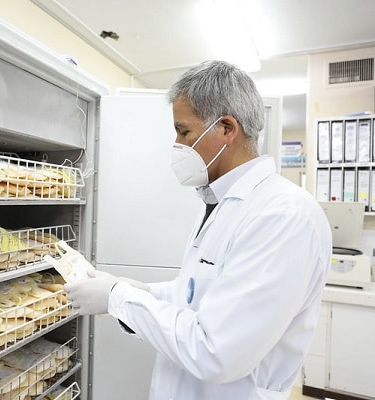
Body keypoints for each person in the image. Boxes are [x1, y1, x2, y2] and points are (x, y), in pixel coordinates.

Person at [64, 60, 332, 400]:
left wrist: (118, 297)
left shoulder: (284, 215)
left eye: (184, 131)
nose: (177, 144)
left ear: (226, 128)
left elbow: (216, 352)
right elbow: (198, 295)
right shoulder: (221, 202)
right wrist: (143, 290)